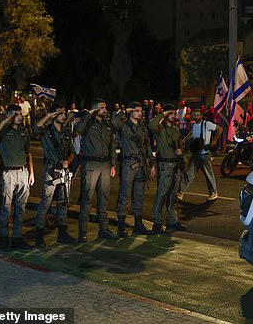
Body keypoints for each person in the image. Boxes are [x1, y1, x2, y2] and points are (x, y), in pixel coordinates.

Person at [0, 105, 34, 252]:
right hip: (8, 173)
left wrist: (31, 172)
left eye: (21, 114)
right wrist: (7, 119)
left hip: (23, 172)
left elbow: (28, 153)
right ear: (9, 115)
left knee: (20, 208)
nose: (20, 116)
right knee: (5, 208)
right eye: (16, 114)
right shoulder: (3, 130)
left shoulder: (23, 131)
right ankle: (3, 239)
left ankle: (17, 238)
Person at [33, 103, 77, 248]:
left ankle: (62, 234)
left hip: (63, 170)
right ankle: (38, 236)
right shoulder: (47, 131)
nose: (64, 116)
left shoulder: (65, 132)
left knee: (63, 202)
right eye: (61, 113)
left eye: (64, 113)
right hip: (51, 170)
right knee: (46, 202)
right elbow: (36, 128)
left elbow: (72, 150)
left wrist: (68, 161)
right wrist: (49, 115)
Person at [74, 99, 118, 241]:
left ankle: (103, 230)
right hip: (90, 164)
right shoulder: (87, 123)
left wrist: (113, 164)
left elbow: (112, 145)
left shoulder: (107, 124)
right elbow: (78, 131)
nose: (105, 110)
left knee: (104, 200)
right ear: (94, 109)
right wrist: (89, 114)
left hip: (105, 165)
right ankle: (82, 232)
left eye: (106, 107)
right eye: (102, 107)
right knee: (87, 199)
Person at [111, 101, 156, 237]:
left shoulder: (142, 127)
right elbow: (113, 123)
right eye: (137, 110)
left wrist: (152, 164)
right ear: (131, 112)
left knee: (139, 195)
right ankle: (121, 227)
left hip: (141, 164)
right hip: (128, 163)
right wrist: (125, 111)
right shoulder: (123, 126)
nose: (140, 113)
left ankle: (138, 224)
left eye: (141, 111)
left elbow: (147, 147)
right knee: (124, 195)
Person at [149, 108, 188, 234]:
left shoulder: (176, 130)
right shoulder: (160, 129)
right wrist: (163, 113)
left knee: (172, 196)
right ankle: (157, 223)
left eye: (173, 113)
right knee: (161, 194)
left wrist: (181, 151)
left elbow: (181, 145)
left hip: (176, 164)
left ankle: (172, 221)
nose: (172, 116)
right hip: (165, 165)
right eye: (170, 114)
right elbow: (151, 124)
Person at [178, 109, 222, 201]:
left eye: (198, 115)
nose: (196, 116)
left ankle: (213, 192)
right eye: (194, 115)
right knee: (189, 172)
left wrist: (214, 141)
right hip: (195, 152)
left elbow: (219, 129)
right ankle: (181, 192)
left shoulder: (207, 124)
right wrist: (185, 140)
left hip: (204, 153)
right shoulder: (194, 124)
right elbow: (192, 133)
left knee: (208, 173)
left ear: (201, 116)